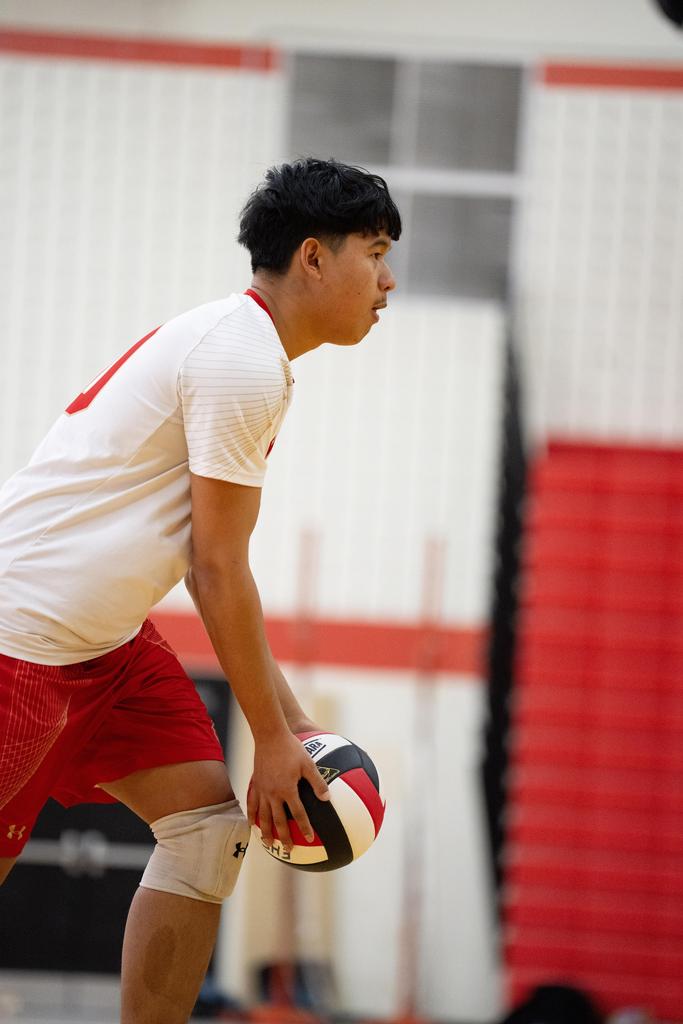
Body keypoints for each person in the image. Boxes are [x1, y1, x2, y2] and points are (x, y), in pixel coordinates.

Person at [0, 157, 400, 1024]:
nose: (387, 280)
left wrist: (291, 726)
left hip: (104, 648)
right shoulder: (240, 358)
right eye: (374, 253)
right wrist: (272, 736)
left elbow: (203, 562)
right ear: (313, 257)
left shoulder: (247, 349)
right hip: (18, 646)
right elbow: (217, 569)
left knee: (207, 829)